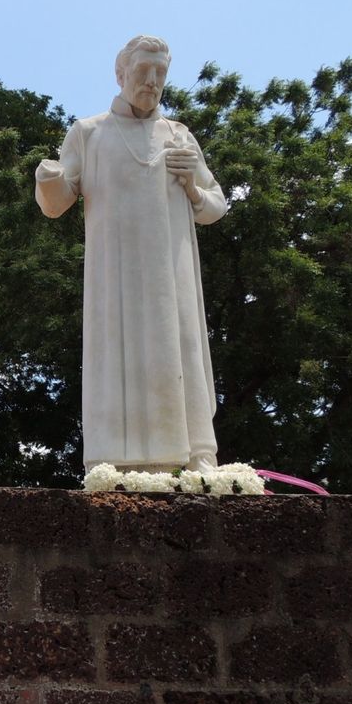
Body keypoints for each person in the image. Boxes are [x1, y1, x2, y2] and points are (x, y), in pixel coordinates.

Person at [36, 35, 228, 473]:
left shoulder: (179, 135)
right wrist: (49, 179)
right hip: (115, 275)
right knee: (115, 356)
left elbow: (215, 205)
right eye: (144, 71)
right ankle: (112, 462)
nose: (152, 81)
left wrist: (193, 188)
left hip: (171, 273)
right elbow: (57, 202)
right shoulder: (89, 133)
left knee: (179, 347)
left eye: (161, 73)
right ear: (121, 73)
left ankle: (196, 455)